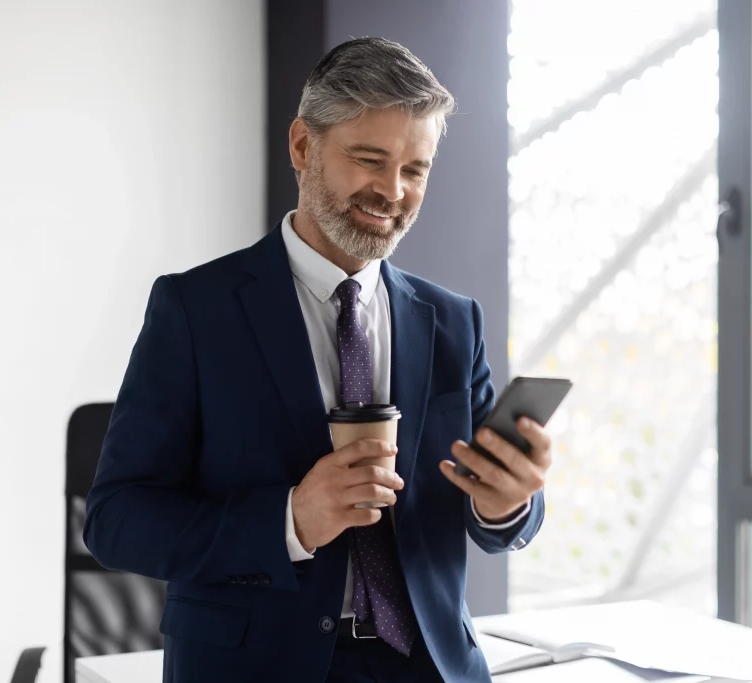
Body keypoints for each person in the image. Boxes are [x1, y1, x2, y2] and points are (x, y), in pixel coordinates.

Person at [83, 37, 552, 683]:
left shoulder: (452, 320)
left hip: (430, 666)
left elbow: (487, 516)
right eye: (370, 159)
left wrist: (506, 503)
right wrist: (289, 519)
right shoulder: (195, 309)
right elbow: (116, 521)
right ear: (303, 146)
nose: (393, 191)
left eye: (415, 169)